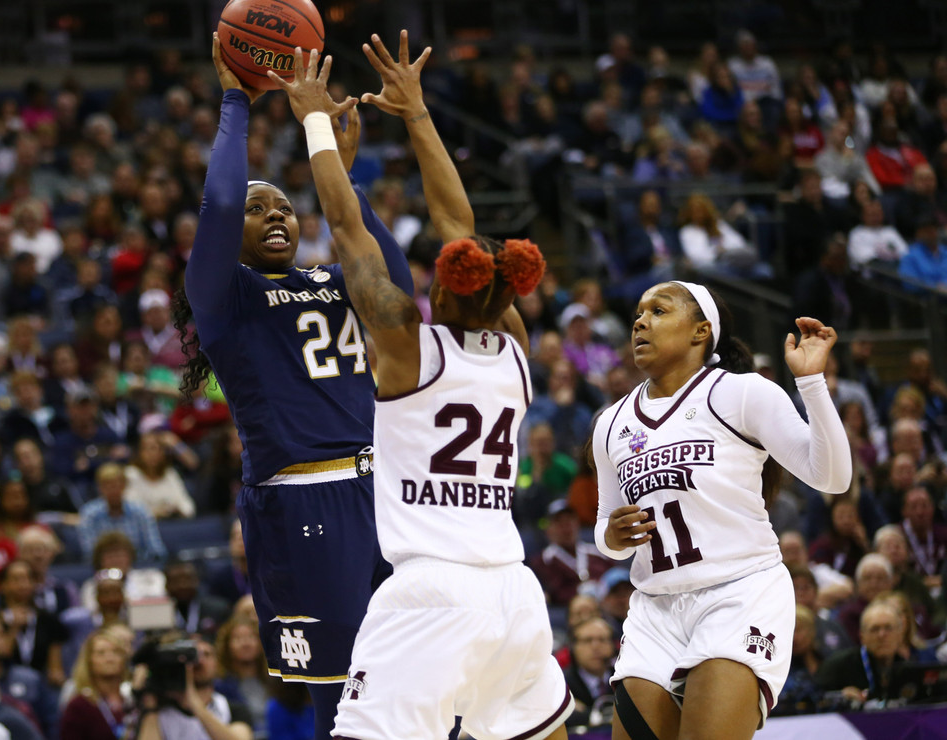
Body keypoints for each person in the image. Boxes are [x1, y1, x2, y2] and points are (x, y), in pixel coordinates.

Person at [269, 31, 572, 739]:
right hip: (514, 593)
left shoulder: (409, 348)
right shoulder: (516, 348)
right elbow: (459, 225)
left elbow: (348, 231)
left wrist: (314, 119)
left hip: (432, 596)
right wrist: (418, 113)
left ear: (443, 284)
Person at [175, 33, 413, 740]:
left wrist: (340, 168)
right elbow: (217, 207)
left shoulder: (332, 282)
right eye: (260, 209)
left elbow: (397, 287)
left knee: (408, 670)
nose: (276, 214)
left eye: (284, 205)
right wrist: (235, 104)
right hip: (300, 500)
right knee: (337, 691)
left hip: (385, 492)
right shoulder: (225, 296)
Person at [592, 280, 851, 738]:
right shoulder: (611, 422)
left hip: (738, 593)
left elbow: (832, 477)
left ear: (700, 331)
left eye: (659, 310)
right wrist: (611, 537)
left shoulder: (743, 393)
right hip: (655, 607)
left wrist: (810, 381)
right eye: (638, 312)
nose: (640, 321)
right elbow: (606, 533)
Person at [133, 632, 253, 740]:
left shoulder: (232, 709)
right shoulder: (157, 713)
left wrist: (194, 703)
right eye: (192, 656)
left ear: (217, 665)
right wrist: (150, 705)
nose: (199, 661)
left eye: (206, 654)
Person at [58, 627, 133, 740]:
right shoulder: (79, 706)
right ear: (89, 661)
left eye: (116, 652)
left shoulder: (132, 699)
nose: (109, 658)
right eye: (101, 653)